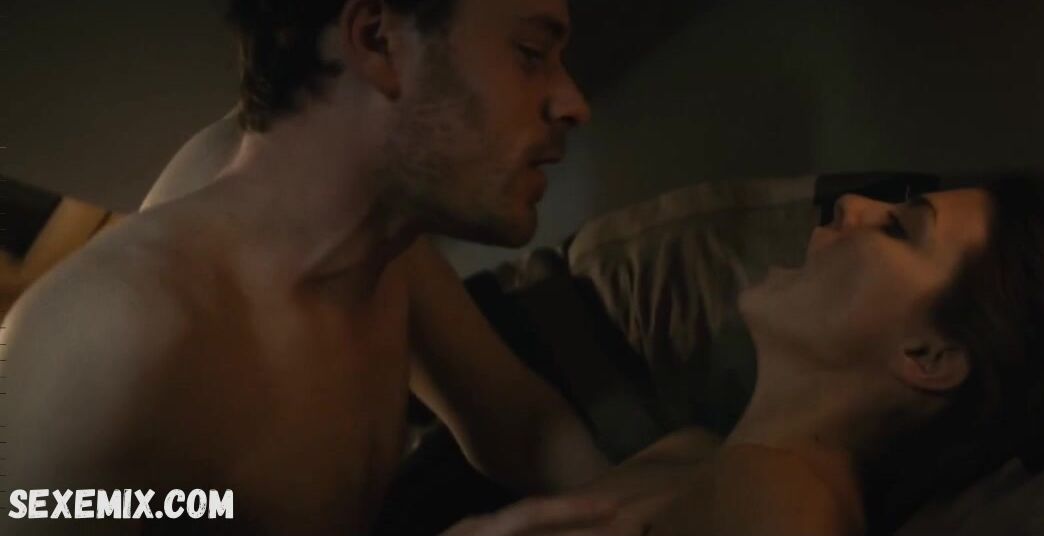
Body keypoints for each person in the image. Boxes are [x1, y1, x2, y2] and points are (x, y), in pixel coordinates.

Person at [0, 0, 611, 534]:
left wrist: (630, 507)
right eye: (531, 53)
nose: (574, 103)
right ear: (378, 39)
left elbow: (525, 430)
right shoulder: (112, 338)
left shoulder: (375, 234)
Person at [407, 176, 1044, 535]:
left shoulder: (784, 510)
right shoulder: (700, 456)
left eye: (899, 229)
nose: (850, 204)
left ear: (929, 355)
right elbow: (524, 428)